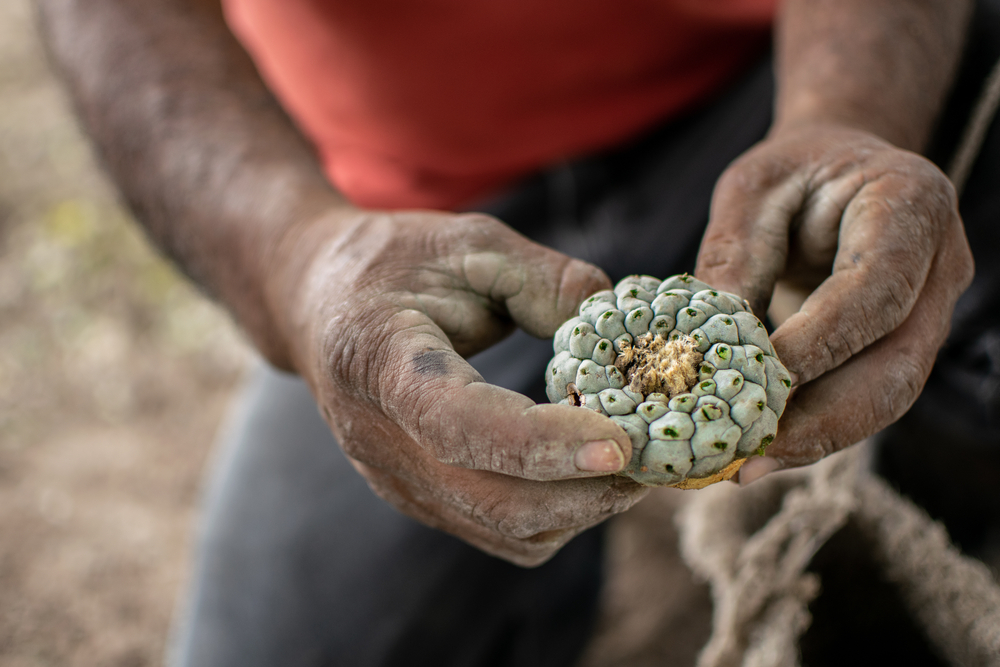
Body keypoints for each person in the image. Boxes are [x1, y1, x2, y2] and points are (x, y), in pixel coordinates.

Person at [38, 0, 1000, 664]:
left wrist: (854, 114)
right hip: (409, 220)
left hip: (768, 85)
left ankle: (926, 516)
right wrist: (294, 259)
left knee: (951, 260)